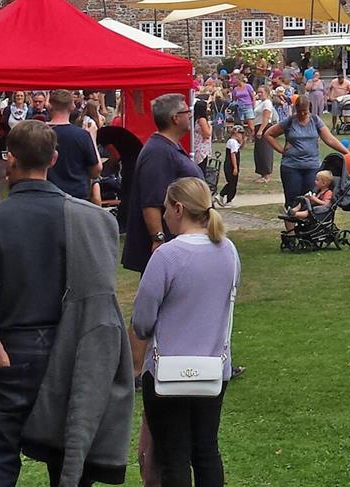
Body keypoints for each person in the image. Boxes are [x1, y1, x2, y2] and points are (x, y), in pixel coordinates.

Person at [0, 120, 132, 486]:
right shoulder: (86, 217)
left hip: (13, 349)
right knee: (69, 456)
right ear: (53, 159)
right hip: (69, 347)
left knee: (0, 461)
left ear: (10, 160)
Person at [130, 177, 239, 487]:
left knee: (174, 455)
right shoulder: (228, 251)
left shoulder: (167, 256)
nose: (163, 214)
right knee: (206, 450)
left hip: (169, 371)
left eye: (165, 208)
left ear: (178, 209)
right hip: (214, 367)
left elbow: (142, 320)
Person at [123, 95, 205, 277]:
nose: (190, 115)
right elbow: (151, 201)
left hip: (181, 239)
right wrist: (158, 239)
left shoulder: (168, 147)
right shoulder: (157, 153)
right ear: (175, 118)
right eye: (187, 111)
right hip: (169, 244)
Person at [268, 97, 350, 212]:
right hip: (291, 166)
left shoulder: (315, 120)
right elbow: (269, 134)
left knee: (309, 199)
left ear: (309, 109)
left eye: (305, 111)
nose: (302, 114)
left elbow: (329, 139)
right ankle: (291, 230)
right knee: (292, 201)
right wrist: (282, 150)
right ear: (295, 108)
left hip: (312, 167)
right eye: (299, 111)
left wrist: (347, 153)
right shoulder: (290, 121)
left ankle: (305, 229)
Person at [45, 91, 102, 205]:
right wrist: (92, 138)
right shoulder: (82, 135)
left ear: (50, 105)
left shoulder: (39, 132)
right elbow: (97, 170)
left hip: (47, 195)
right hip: (77, 197)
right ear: (72, 106)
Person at [219, 124, 243, 206]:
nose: (241, 135)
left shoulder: (233, 142)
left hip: (228, 165)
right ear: (235, 133)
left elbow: (240, 148)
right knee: (233, 183)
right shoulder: (233, 142)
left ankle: (221, 196)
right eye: (240, 133)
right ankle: (228, 200)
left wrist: (243, 141)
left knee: (231, 182)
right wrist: (235, 167)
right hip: (231, 165)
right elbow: (233, 155)